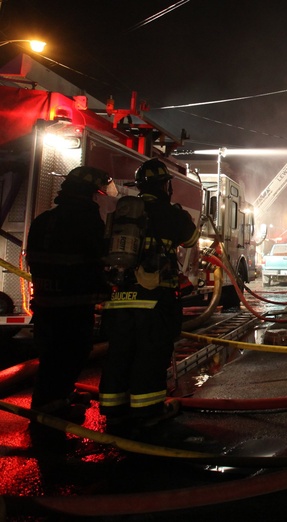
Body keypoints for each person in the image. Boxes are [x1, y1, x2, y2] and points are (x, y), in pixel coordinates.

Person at [99, 158, 199, 432]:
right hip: (155, 298)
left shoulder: (125, 211)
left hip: (119, 298)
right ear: (165, 185)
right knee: (150, 353)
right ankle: (148, 411)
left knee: (119, 353)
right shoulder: (171, 213)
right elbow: (191, 239)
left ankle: (114, 410)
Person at [26, 166, 116, 437]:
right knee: (71, 354)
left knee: (50, 355)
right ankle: (54, 411)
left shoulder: (45, 219)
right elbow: (101, 256)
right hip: (73, 302)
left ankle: (51, 402)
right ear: (88, 193)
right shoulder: (87, 220)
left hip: (44, 302)